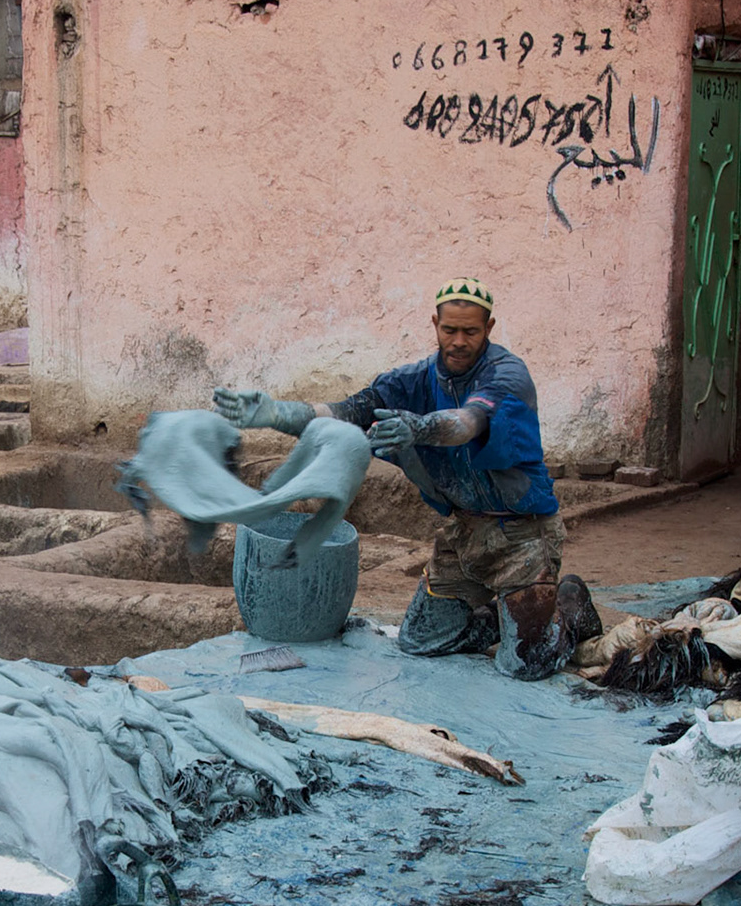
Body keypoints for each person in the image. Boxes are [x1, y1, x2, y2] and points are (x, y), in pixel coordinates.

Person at [214, 278, 573, 671]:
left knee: (525, 666)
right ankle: (506, 620)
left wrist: (419, 428)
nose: (457, 341)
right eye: (449, 329)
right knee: (421, 641)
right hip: (465, 534)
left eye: (470, 331)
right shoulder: (410, 382)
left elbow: (466, 422)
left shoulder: (506, 375)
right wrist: (276, 414)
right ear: (435, 323)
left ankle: (571, 606)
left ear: (488, 328)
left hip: (521, 535)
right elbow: (344, 413)